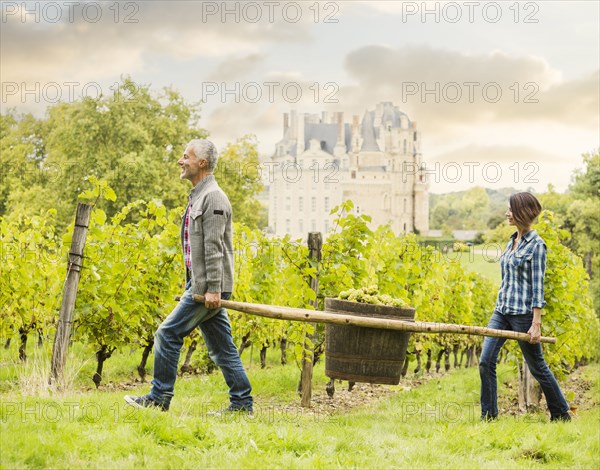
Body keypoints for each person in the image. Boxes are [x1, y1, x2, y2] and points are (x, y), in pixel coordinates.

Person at [125, 139, 253, 413]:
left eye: (186, 156)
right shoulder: (198, 195)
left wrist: (213, 289)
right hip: (201, 284)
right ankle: (242, 404)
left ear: (202, 163)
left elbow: (214, 247)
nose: (180, 161)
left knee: (167, 334)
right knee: (222, 348)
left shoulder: (214, 197)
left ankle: (158, 398)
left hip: (208, 286)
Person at [479, 192, 571, 422]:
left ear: (521, 212)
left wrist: (535, 323)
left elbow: (537, 287)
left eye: (511, 209)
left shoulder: (537, 245)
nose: (507, 213)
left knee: (537, 367)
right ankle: (489, 416)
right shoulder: (512, 240)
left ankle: (561, 413)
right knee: (485, 360)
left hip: (522, 314)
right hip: (501, 310)